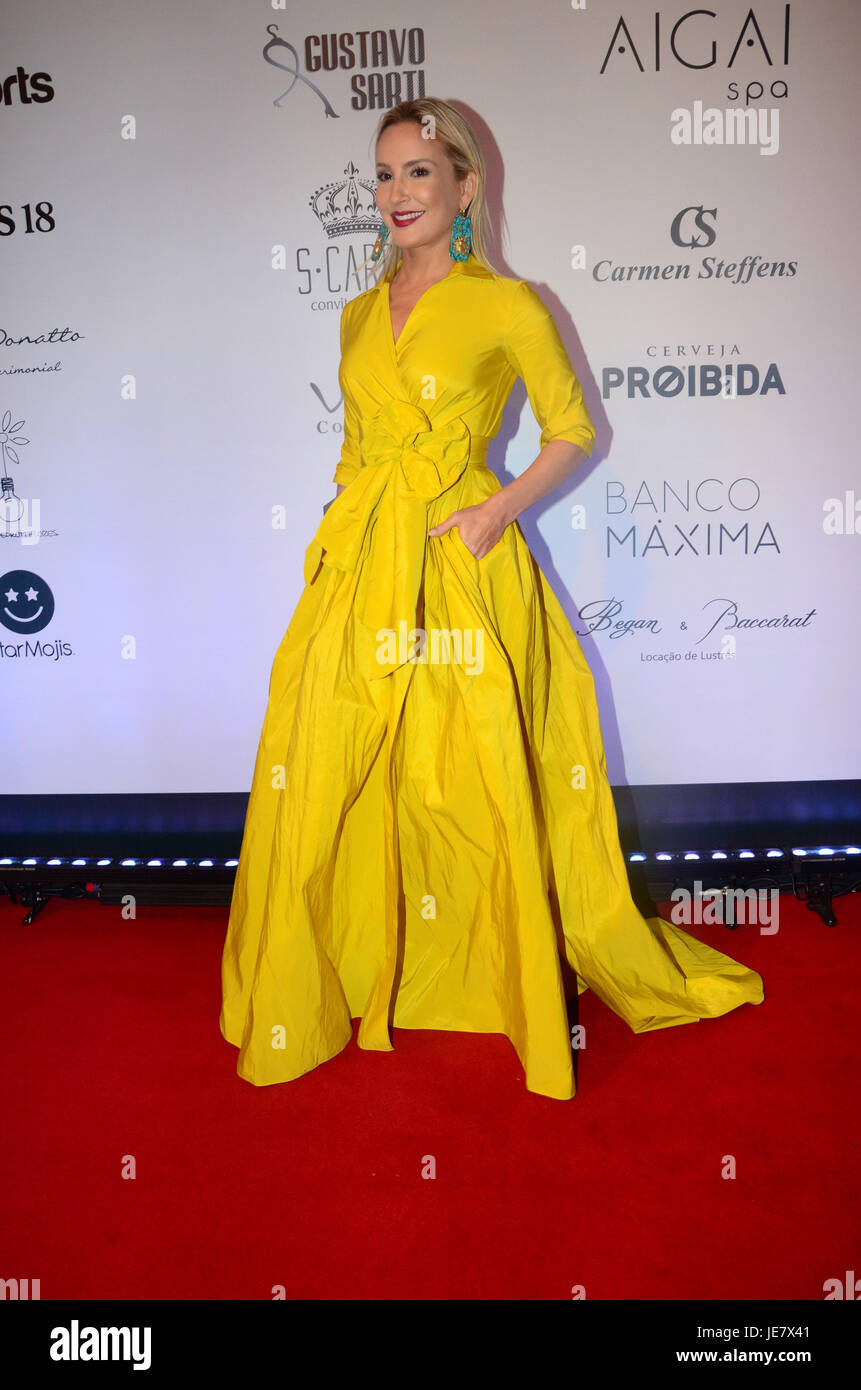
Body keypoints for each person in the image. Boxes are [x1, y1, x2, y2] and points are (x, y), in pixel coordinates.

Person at [219, 97, 763, 1100]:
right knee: (332, 761)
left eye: (419, 172)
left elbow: (573, 433)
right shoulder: (352, 314)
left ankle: (482, 974)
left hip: (462, 556)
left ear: (466, 187)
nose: (396, 193)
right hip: (365, 562)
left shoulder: (509, 303)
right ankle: (341, 971)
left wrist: (494, 513)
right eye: (383, 174)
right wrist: (337, 545)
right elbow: (353, 452)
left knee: (467, 771)